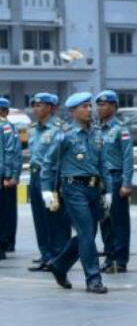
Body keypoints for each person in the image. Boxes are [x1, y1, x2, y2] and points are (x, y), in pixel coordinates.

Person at [41, 92, 111, 294]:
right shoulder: (65, 135)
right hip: (74, 189)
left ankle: (59, 265)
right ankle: (93, 278)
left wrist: (109, 191)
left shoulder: (97, 133)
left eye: (90, 106)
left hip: (94, 189)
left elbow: (103, 164)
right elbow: (49, 163)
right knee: (87, 233)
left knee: (87, 233)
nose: (89, 110)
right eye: (84, 106)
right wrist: (47, 190)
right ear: (73, 111)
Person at [27, 93, 71, 272]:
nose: (35, 109)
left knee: (55, 219)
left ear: (51, 108)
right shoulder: (32, 129)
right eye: (34, 105)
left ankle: (58, 257)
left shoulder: (60, 129)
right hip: (35, 176)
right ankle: (46, 255)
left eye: (40, 105)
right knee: (40, 219)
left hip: (53, 178)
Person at [95, 91, 134, 273]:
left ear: (113, 106)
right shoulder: (96, 129)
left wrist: (126, 183)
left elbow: (127, 157)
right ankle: (109, 256)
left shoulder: (120, 129)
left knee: (119, 221)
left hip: (116, 178)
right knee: (104, 221)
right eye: (99, 105)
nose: (100, 108)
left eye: (104, 105)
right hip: (101, 180)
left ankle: (120, 259)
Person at [0, 98, 19, 254]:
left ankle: (5, 242)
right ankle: (7, 242)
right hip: (6, 174)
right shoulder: (8, 126)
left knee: (6, 211)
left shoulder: (5, 126)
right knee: (7, 210)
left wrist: (8, 175)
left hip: (4, 176)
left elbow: (10, 151)